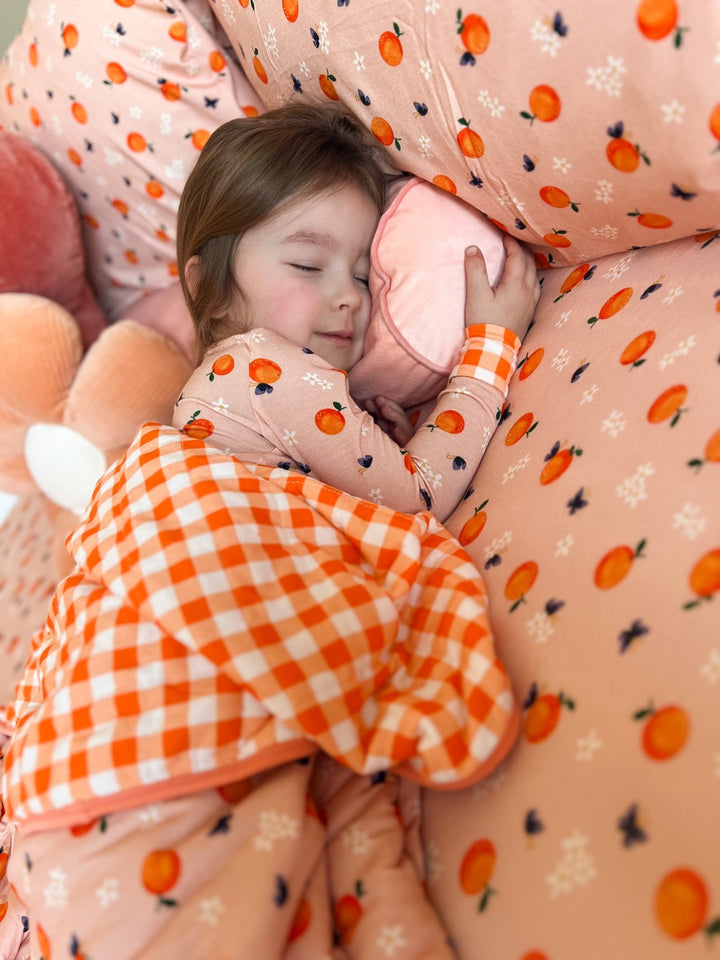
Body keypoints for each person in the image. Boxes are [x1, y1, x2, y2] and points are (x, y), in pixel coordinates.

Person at [170, 102, 539, 953]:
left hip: (282, 655)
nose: (348, 296)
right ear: (208, 289)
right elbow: (415, 496)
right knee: (348, 855)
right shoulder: (262, 370)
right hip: (234, 647)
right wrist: (487, 352)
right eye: (308, 263)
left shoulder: (265, 392)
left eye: (366, 272)